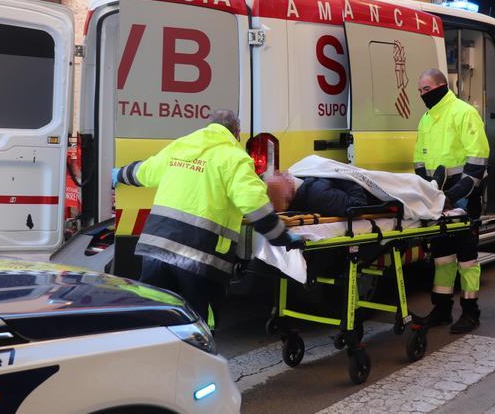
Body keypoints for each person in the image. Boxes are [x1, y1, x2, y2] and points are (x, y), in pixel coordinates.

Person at [113, 109, 302, 328]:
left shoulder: (183, 145)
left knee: (154, 318)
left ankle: (155, 359)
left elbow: (145, 172)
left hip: (157, 250)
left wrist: (118, 174)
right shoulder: (235, 157)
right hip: (199, 259)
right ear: (237, 133)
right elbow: (254, 203)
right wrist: (281, 237)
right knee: (199, 326)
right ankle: (196, 361)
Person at [412, 68, 490, 334]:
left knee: (467, 257)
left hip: (464, 197)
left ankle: (471, 312)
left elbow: (477, 159)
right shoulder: (426, 119)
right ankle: (442, 309)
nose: (422, 94)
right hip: (437, 198)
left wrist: (454, 195)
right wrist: (427, 191)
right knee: (442, 256)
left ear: (442, 86)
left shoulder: (464, 112)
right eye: (420, 90)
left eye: (426, 89)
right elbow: (419, 160)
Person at [265, 171, 378, 216]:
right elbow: (359, 204)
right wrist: (342, 176)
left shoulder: (311, 191)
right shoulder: (320, 196)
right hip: (378, 197)